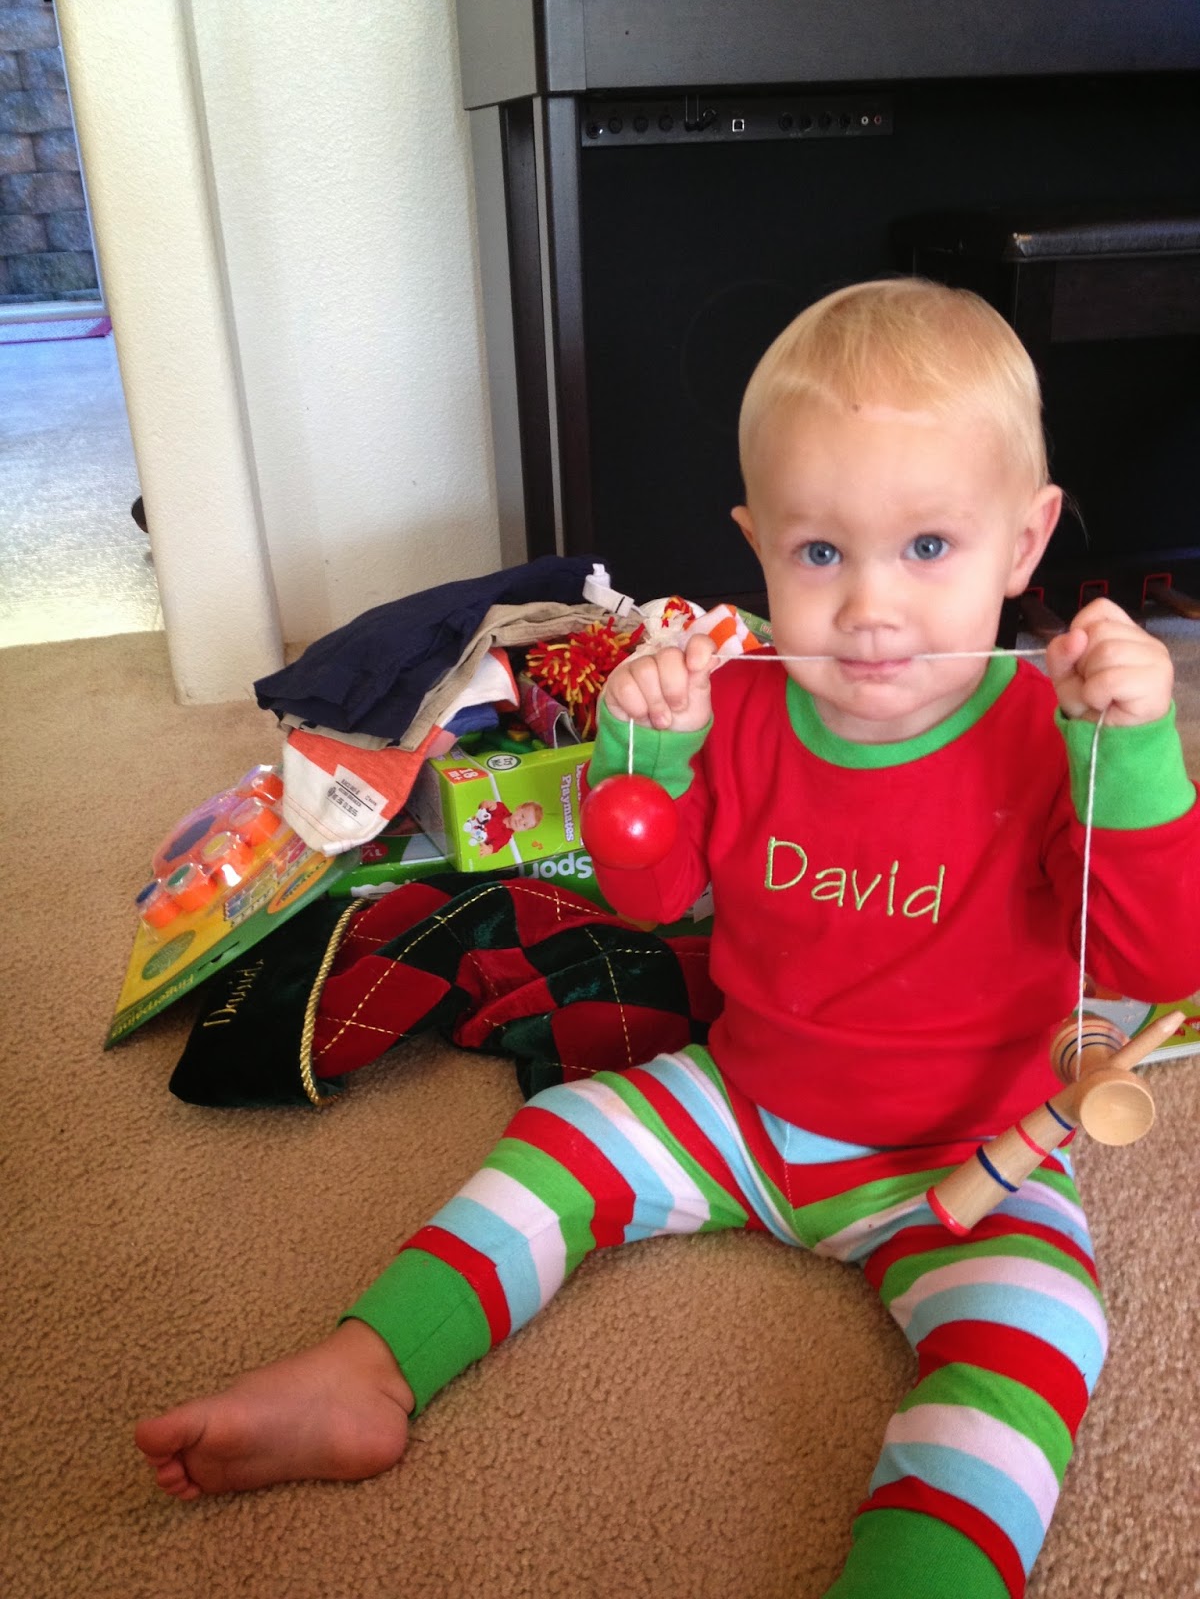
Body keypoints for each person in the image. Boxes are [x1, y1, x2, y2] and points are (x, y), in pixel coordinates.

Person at [135, 279, 1200, 1598]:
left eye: (930, 546)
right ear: (757, 544)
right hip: (745, 1106)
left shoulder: (1057, 735)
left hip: (977, 1150)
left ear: (1026, 542)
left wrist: (1136, 758)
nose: (870, 606)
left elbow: (1161, 966)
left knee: (1047, 1328)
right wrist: (645, 757)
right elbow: (648, 898)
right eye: (821, 554)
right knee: (565, 1135)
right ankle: (368, 1368)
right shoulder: (741, 703)